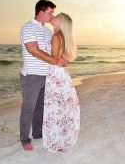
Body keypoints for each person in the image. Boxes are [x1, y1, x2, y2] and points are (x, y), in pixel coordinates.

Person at [19, 0, 67, 151]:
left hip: (47, 75)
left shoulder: (47, 31)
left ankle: (38, 133)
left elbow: (53, 51)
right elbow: (33, 50)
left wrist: (62, 60)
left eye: (52, 13)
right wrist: (54, 61)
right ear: (40, 12)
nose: (52, 16)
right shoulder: (28, 27)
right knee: (29, 108)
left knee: (41, 107)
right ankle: (25, 138)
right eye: (50, 12)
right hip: (32, 75)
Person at [29, 13, 80, 152]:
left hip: (55, 74)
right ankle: (61, 134)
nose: (53, 17)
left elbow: (53, 59)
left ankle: (56, 137)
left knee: (54, 106)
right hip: (60, 74)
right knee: (60, 105)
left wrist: (36, 50)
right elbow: (59, 58)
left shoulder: (56, 37)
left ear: (60, 21)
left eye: (56, 16)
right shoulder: (61, 36)